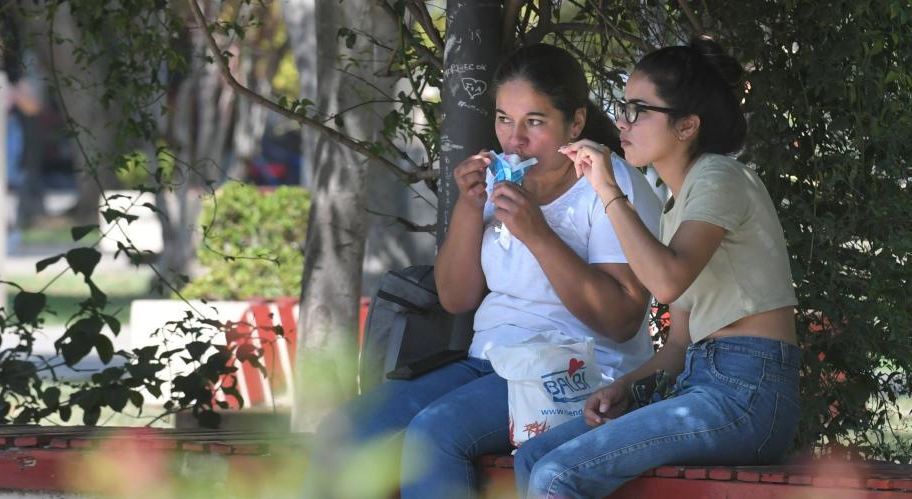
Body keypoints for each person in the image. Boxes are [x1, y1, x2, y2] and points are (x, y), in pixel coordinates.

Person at [304, 43, 661, 498]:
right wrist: (471, 211)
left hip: (576, 371)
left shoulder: (609, 184)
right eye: (503, 119)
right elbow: (456, 299)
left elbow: (621, 319)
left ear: (574, 122)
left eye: (535, 122)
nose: (515, 140)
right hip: (487, 362)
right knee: (345, 429)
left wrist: (539, 235)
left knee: (433, 436)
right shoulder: (500, 182)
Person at [515, 37, 801, 498]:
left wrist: (607, 189)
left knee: (558, 475)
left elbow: (666, 281)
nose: (621, 122)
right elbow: (680, 345)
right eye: (622, 107)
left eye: (638, 110)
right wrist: (625, 387)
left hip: (748, 394)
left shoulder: (719, 176)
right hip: (700, 382)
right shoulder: (675, 209)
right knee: (532, 458)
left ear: (687, 126)